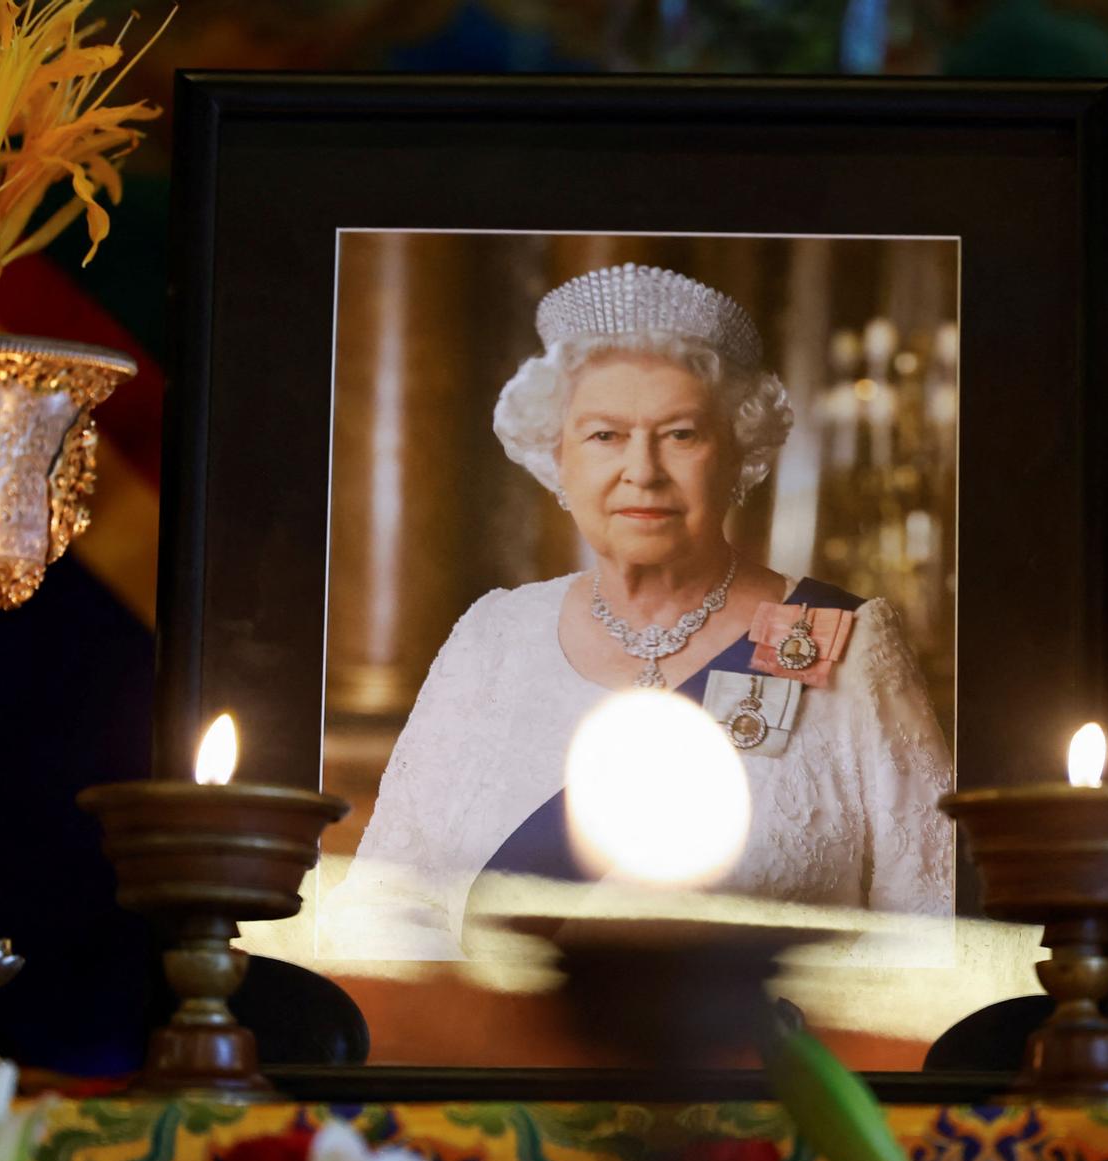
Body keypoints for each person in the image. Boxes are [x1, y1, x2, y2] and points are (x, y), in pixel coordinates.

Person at [334, 263, 952, 958]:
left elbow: (928, 933)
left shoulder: (842, 641)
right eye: (605, 435)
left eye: (681, 434)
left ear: (738, 454)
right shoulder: (492, 638)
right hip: (496, 1062)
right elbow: (385, 908)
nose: (643, 470)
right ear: (558, 457)